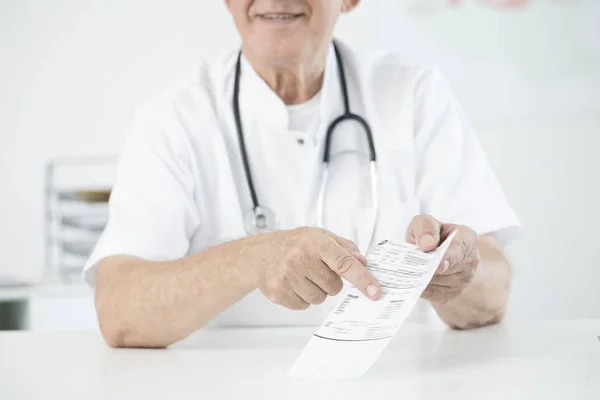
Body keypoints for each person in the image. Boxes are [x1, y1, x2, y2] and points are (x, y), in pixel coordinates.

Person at [85, 0, 521, 348]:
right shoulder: (172, 120)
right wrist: (253, 259)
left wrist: (454, 272)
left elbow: (492, 293)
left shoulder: (415, 96)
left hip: (395, 381)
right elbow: (120, 311)